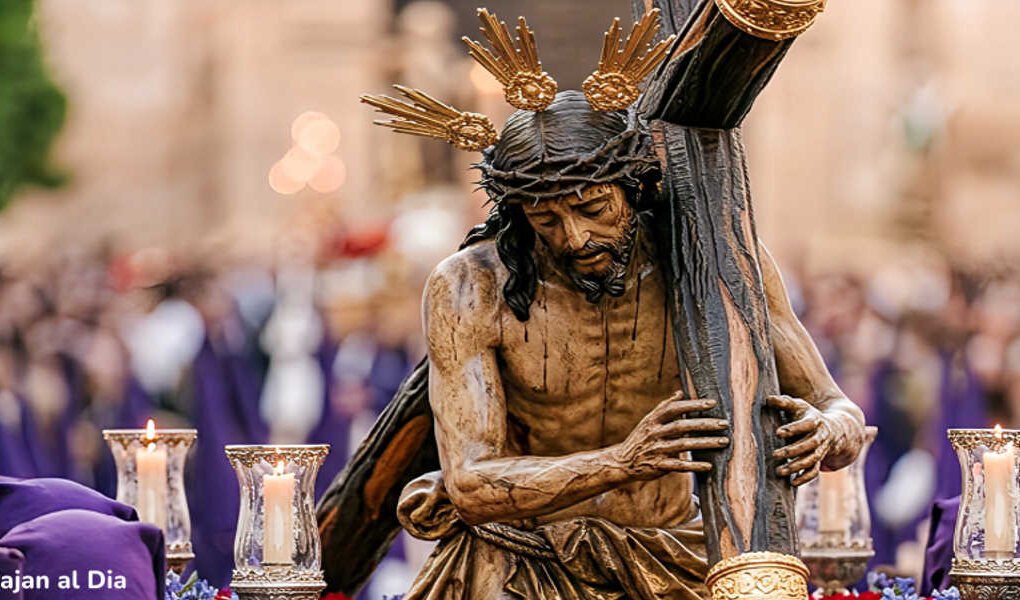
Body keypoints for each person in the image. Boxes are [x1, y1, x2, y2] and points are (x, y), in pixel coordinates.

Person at [319, 4, 866, 598]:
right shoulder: (469, 287)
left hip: (677, 558)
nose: (574, 237)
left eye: (593, 209)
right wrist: (623, 460)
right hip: (519, 563)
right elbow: (471, 482)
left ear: (634, 188)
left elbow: (840, 411)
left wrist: (823, 433)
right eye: (546, 218)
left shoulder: (718, 260)